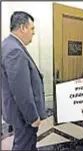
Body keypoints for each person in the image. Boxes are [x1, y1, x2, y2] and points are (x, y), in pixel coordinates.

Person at [2, 11, 47, 150]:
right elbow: (21, 91)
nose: (33, 33)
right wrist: (32, 117)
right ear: (23, 27)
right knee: (24, 145)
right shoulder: (15, 51)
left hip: (17, 112)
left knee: (25, 144)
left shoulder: (8, 45)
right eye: (32, 28)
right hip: (23, 115)